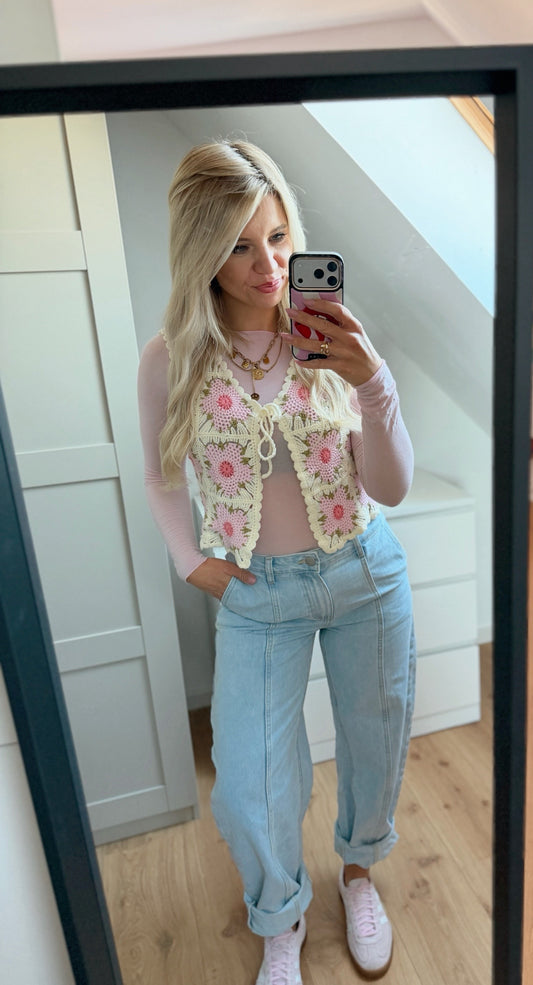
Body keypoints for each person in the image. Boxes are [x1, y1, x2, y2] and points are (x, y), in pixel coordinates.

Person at [137, 139, 416, 985]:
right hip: (259, 593)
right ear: (201, 250)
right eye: (238, 244)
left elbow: (390, 487)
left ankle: (358, 875)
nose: (267, 264)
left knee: (375, 739)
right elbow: (160, 475)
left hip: (363, 570)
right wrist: (190, 560)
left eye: (279, 236)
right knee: (249, 780)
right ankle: (280, 915)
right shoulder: (172, 357)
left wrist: (372, 383)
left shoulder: (331, 334)